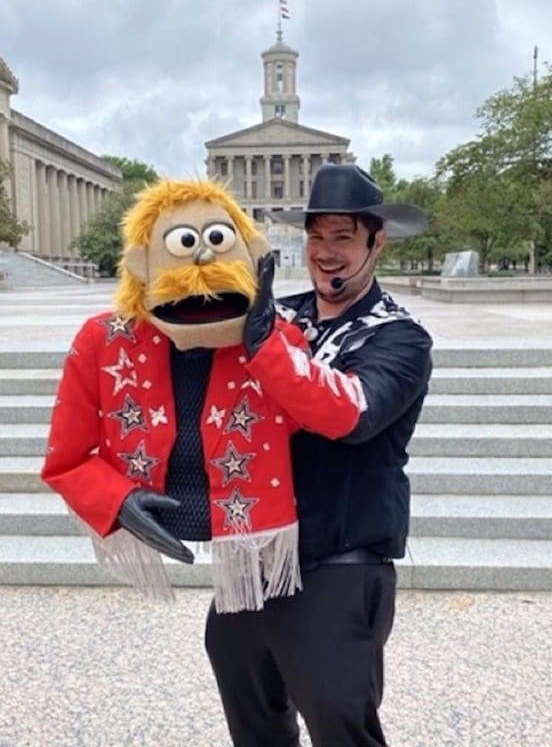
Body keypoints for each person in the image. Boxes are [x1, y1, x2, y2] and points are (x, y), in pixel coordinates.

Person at [41, 177, 367, 614]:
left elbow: (337, 417)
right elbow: (66, 459)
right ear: (142, 263)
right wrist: (116, 499)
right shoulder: (104, 341)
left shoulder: (277, 341)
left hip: (264, 556)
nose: (201, 263)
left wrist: (265, 345)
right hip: (176, 512)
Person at [205, 162, 433, 746]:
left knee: (342, 729)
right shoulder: (279, 315)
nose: (325, 252)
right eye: (315, 236)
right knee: (255, 725)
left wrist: (262, 344)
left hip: (339, 561)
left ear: (375, 241)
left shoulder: (400, 337)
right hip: (255, 558)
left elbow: (352, 414)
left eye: (342, 236)